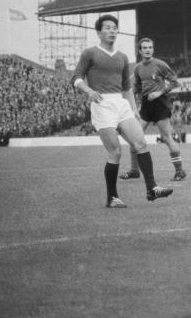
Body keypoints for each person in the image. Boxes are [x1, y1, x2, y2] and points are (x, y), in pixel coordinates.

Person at [71, 15, 173, 208]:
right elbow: (76, 78)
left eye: (114, 28)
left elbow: (127, 87)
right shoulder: (90, 53)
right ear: (99, 32)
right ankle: (112, 197)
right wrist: (89, 90)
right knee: (115, 151)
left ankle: (152, 189)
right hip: (102, 104)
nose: (112, 31)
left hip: (121, 103)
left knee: (141, 142)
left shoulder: (122, 57)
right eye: (108, 27)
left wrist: (134, 109)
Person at [118, 37, 187, 182]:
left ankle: (180, 171)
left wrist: (160, 92)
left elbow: (175, 82)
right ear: (140, 50)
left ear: (153, 49)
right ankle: (134, 170)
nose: (147, 50)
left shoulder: (160, 64)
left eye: (150, 47)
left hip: (160, 104)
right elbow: (136, 88)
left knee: (166, 138)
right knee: (134, 138)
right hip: (146, 106)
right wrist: (135, 107)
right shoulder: (137, 68)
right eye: (144, 48)